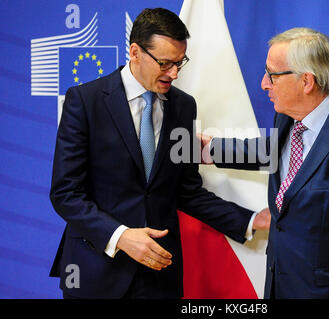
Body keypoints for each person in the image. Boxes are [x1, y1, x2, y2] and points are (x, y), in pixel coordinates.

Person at [49, 8, 269, 299]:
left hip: (159, 277)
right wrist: (121, 236)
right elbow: (65, 192)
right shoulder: (85, 101)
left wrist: (251, 220)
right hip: (96, 272)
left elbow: (186, 191)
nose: (174, 74)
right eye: (165, 63)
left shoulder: (184, 107)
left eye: (180, 63)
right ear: (135, 52)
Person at [201, 27, 329, 298]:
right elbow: (276, 152)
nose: (264, 83)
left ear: (307, 82)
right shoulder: (288, 116)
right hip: (279, 286)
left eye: (272, 75)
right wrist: (209, 148)